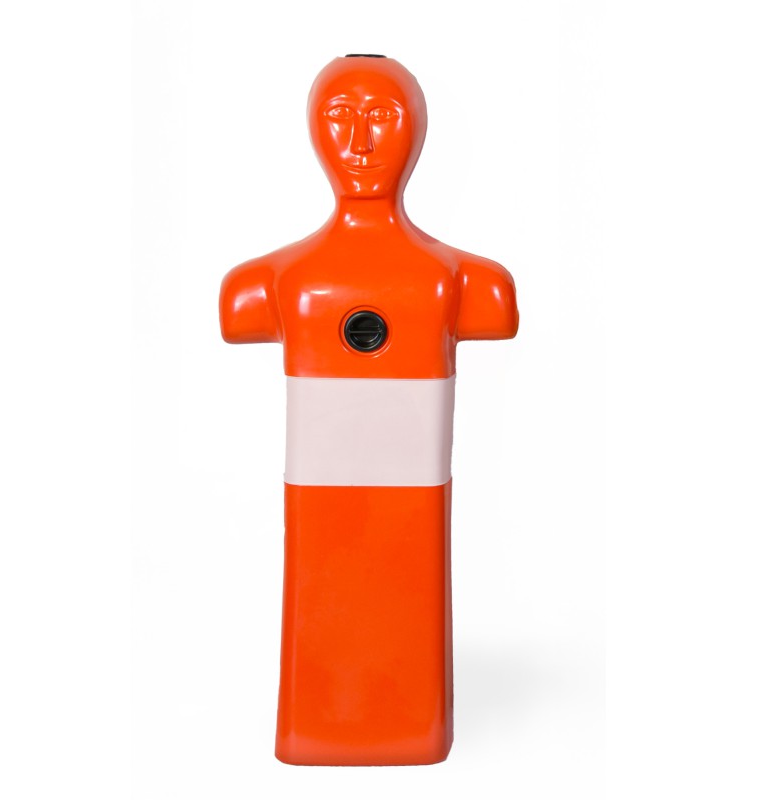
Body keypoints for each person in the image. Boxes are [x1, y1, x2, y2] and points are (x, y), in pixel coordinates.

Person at [220, 55, 518, 765]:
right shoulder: (263, 283)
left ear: (418, 132)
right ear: (312, 134)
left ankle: (408, 726)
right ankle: (324, 726)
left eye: (381, 117)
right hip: (323, 512)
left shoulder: (470, 282)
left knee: (406, 595)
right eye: (339, 118)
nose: (359, 141)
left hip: (408, 508)